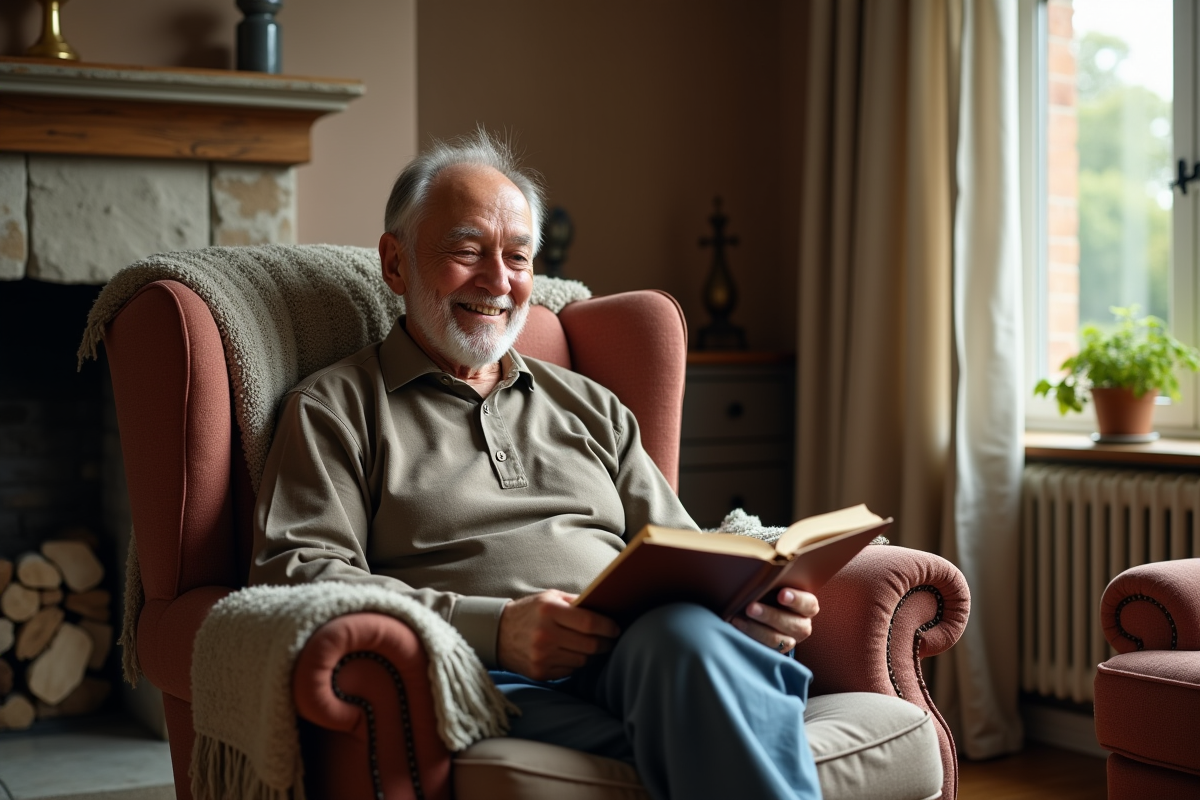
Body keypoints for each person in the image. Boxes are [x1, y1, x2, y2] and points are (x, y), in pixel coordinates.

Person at [250, 129, 823, 800]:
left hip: (645, 655)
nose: (498, 282)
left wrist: (751, 604)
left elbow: (681, 548)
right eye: (467, 252)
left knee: (687, 640)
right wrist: (497, 628)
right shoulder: (336, 407)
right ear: (396, 264)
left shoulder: (592, 406)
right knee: (709, 711)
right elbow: (303, 576)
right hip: (483, 676)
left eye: (518, 257)